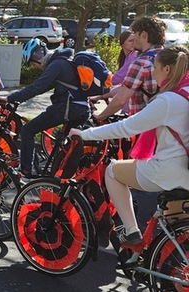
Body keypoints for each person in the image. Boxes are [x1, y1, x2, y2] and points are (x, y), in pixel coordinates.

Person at [68, 45, 189, 246]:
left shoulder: (168, 100)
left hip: (169, 170)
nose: (154, 73)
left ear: (167, 69)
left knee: (113, 171)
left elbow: (126, 128)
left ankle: (132, 231)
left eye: (156, 68)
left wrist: (85, 134)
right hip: (185, 171)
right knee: (177, 234)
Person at [0, 38, 91, 178]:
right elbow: (41, 88)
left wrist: (9, 98)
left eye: (32, 64)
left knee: (28, 129)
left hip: (69, 107)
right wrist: (19, 97)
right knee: (65, 143)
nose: (35, 68)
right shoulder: (63, 62)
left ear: (36, 58)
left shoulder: (56, 65)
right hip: (81, 108)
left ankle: (25, 171)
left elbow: (37, 87)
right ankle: (58, 174)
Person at [94, 17, 166, 122]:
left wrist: (100, 116)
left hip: (145, 125)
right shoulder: (169, 58)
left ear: (143, 35)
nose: (133, 39)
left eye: (135, 34)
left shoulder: (141, 63)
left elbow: (120, 100)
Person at [90, 31, 137, 114]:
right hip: (129, 106)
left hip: (132, 108)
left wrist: (100, 84)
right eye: (130, 41)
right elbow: (122, 83)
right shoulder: (128, 57)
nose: (133, 43)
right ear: (122, 44)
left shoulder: (134, 55)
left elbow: (117, 79)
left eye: (134, 40)